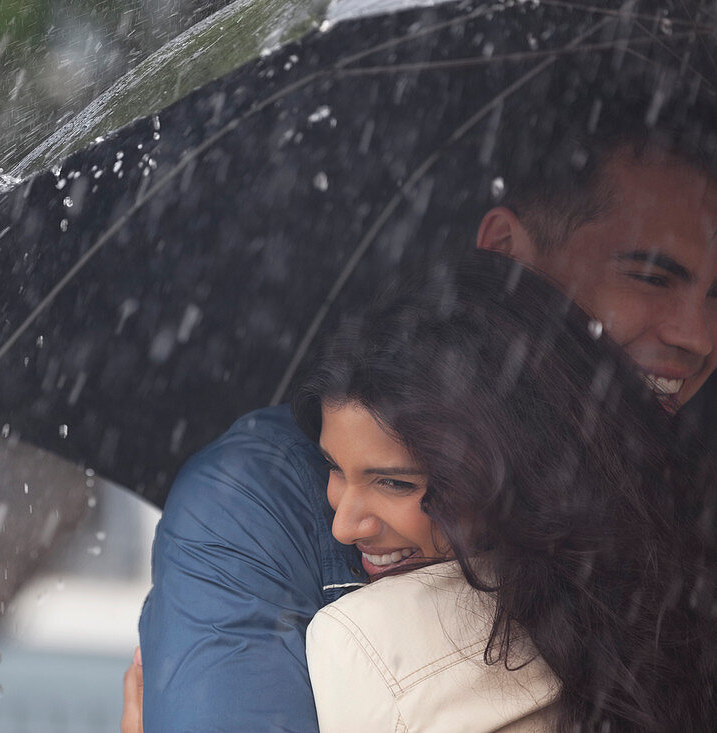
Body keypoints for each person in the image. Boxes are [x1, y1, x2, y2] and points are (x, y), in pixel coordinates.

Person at [128, 85, 717, 733]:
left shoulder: (682, 490)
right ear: (506, 253)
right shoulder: (261, 504)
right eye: (651, 277)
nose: (699, 336)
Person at [296, 252, 716, 731]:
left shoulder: (366, 644)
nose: (344, 527)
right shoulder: (670, 590)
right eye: (333, 467)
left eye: (395, 482)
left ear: (525, 470)